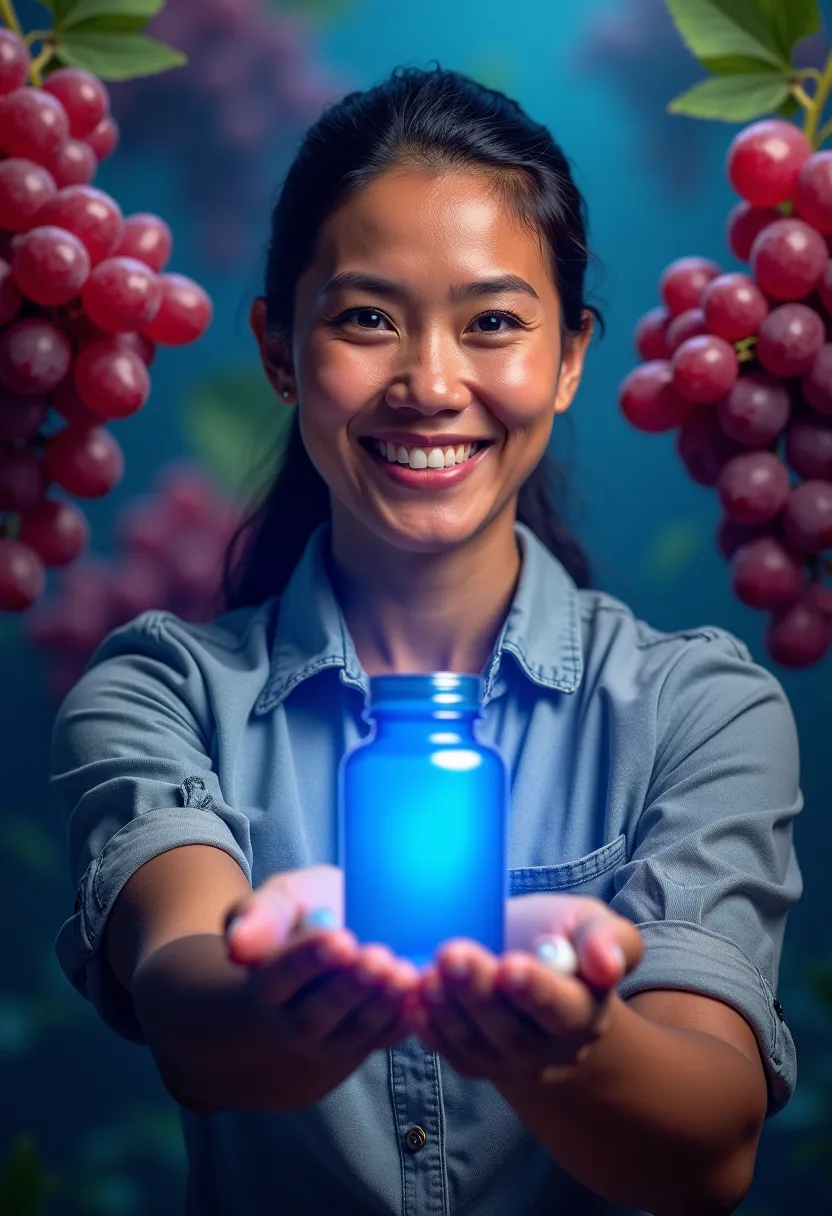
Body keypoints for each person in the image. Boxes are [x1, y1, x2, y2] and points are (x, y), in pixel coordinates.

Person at [51, 64, 803, 1216]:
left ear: (567, 361)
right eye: (366, 319)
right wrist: (290, 989)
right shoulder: (162, 692)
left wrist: (566, 1039)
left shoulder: (701, 708)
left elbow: (711, 1149)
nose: (431, 383)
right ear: (277, 348)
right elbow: (190, 1014)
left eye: (493, 322)